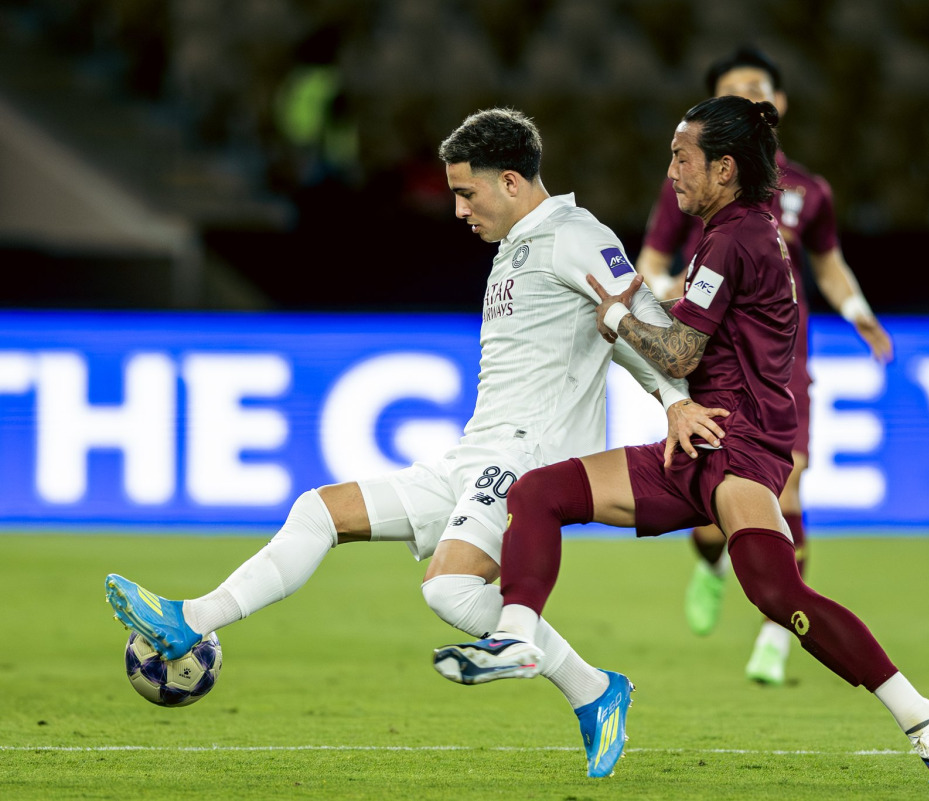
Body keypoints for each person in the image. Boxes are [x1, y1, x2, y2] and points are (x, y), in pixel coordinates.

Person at [103, 107, 723, 780]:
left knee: (450, 591)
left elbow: (644, 324)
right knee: (320, 510)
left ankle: (594, 688)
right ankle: (188, 619)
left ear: (511, 181)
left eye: (466, 191)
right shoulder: (519, 245)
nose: (458, 209)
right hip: (474, 451)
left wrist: (675, 401)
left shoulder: (575, 236)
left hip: (528, 456)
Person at [435, 96, 929, 784]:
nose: (672, 170)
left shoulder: (734, 237)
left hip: (742, 446)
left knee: (777, 592)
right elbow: (699, 336)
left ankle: (925, 714)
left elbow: (681, 352)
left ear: (724, 167)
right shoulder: (740, 232)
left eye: (682, 157)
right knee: (539, 492)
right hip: (696, 440)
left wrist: (618, 320)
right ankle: (515, 635)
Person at [635, 45, 894, 687]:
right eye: (734, 89)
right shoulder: (692, 183)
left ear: (779, 104)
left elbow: (828, 264)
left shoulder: (809, 192)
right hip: (714, 363)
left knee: (790, 488)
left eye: (759, 87)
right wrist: (651, 305)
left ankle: (777, 639)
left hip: (783, 366)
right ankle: (708, 562)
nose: (751, 95)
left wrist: (858, 309)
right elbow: (653, 259)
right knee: (710, 518)